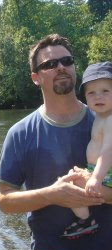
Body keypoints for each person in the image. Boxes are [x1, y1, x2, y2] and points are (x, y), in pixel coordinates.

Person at [0, 33, 112, 250]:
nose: (60, 67)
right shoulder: (21, 132)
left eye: (67, 61)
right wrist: (53, 195)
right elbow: (4, 201)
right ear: (35, 77)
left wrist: (98, 194)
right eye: (50, 64)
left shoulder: (106, 121)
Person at [62, 61, 112, 239]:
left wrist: (96, 178)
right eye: (92, 93)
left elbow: (108, 152)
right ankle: (85, 220)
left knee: (70, 184)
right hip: (99, 172)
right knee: (71, 178)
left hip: (106, 175)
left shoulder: (110, 120)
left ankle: (86, 221)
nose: (98, 97)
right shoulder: (101, 116)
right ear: (85, 97)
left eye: (105, 91)